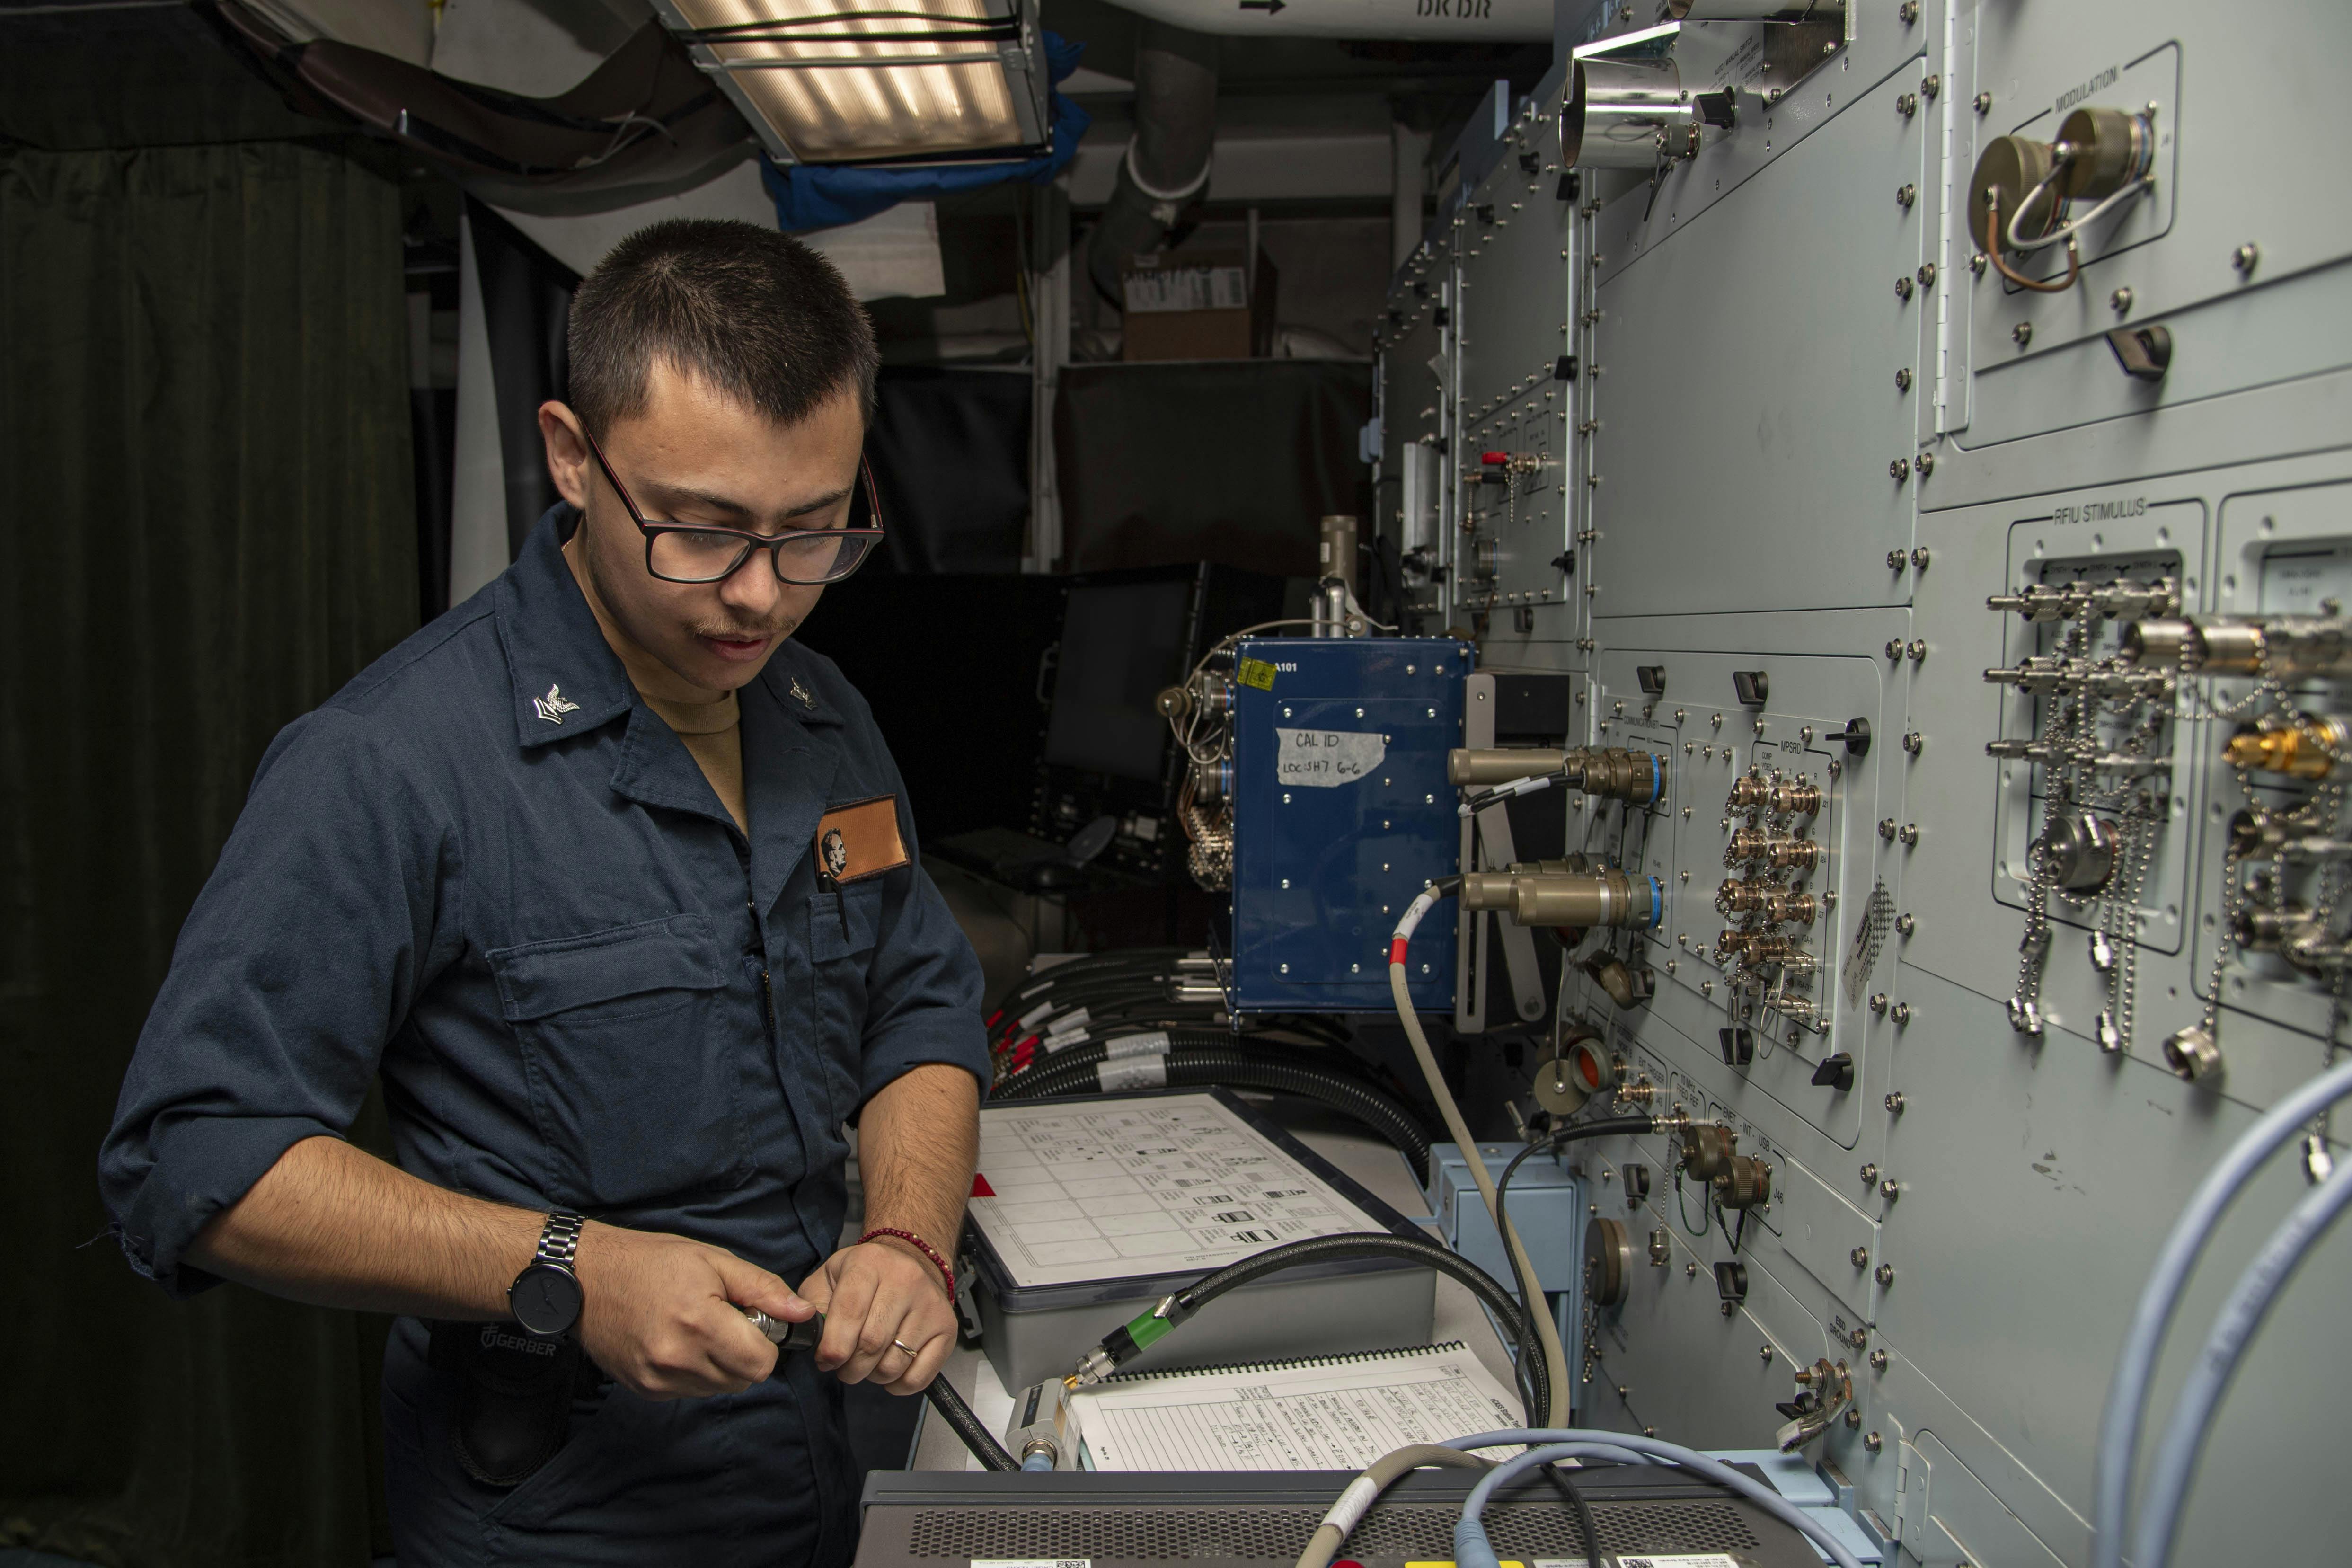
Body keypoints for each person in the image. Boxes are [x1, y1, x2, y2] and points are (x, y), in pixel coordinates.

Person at [98, 219, 988, 1565]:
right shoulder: (391, 761)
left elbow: (915, 1006)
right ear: (572, 456)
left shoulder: (820, 708)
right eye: (702, 532)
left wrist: (909, 1241)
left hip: (841, 1471)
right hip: (573, 1513)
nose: (759, 597)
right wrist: (573, 1269)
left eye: (812, 534)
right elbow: (193, 1158)